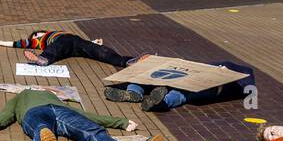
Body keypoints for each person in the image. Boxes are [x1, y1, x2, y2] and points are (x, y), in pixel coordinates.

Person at [0, 87, 164, 141]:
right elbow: (88, 116)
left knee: (41, 128)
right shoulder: (24, 95)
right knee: (91, 131)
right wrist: (121, 122)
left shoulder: (26, 97)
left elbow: (8, 111)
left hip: (34, 112)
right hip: (53, 111)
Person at [105, 60, 254, 114]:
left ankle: (161, 103)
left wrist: (224, 78)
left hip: (209, 87)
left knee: (183, 92)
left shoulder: (243, 76)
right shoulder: (221, 63)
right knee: (148, 76)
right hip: (186, 77)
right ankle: (134, 93)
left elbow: (248, 85)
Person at [0, 30, 132, 70]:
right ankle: (43, 58)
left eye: (37, 34)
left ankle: (125, 60)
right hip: (64, 43)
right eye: (34, 36)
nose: (36, 36)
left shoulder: (50, 33)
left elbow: (83, 43)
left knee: (98, 51)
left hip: (74, 40)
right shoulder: (39, 41)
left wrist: (93, 42)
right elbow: (17, 43)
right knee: (57, 48)